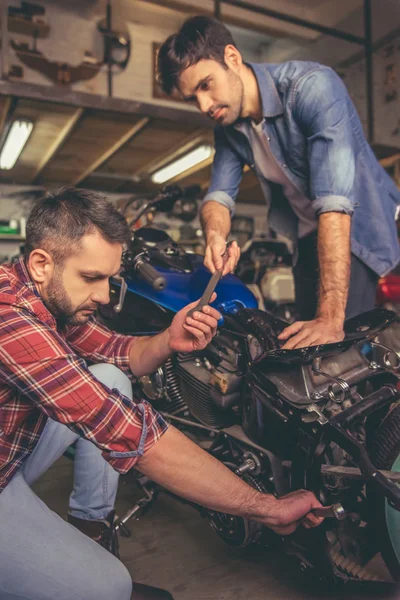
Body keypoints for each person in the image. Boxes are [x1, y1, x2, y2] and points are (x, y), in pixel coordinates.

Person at [0, 189, 323, 600]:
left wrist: (170, 339)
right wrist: (265, 506)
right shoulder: (8, 314)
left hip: (10, 453)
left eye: (108, 278)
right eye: (91, 278)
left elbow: (122, 353)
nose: (102, 295)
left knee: (109, 377)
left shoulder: (51, 296)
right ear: (42, 264)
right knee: (109, 587)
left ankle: (91, 528)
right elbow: (128, 432)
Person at [157, 16, 400, 350]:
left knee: (339, 352)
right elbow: (218, 196)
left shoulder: (313, 87)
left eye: (205, 85)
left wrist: (330, 320)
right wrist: (215, 236)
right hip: (306, 236)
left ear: (232, 57)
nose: (204, 105)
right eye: (192, 98)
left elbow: (335, 205)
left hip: (353, 229)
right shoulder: (229, 127)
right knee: (299, 347)